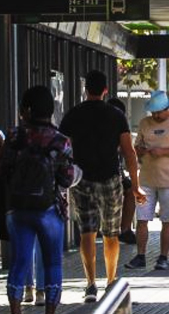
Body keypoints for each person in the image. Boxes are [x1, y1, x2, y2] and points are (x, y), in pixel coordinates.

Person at [59, 71, 145, 303]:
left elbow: (63, 150)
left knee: (87, 233)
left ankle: (89, 285)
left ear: (86, 90)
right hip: (110, 180)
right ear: (106, 90)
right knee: (111, 234)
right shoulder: (116, 115)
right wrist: (135, 187)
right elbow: (129, 152)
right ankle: (110, 281)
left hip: (82, 180)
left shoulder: (73, 115)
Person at [2, 85, 80, 314]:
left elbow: (4, 170)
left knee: (19, 262)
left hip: (18, 210)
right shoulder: (60, 140)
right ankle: (50, 311)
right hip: (49, 209)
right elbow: (66, 179)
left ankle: (15, 310)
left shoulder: (14, 136)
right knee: (53, 263)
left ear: (26, 110)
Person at [124, 90, 169, 271]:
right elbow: (136, 146)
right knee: (141, 219)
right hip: (146, 178)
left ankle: (163, 257)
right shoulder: (144, 123)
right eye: (152, 112)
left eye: (158, 112)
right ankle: (140, 256)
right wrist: (140, 150)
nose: (155, 115)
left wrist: (163, 152)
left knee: (167, 220)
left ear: (167, 108)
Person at [107, 98, 137, 245]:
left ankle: (125, 229)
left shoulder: (121, 128)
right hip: (102, 174)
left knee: (130, 190)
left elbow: (128, 153)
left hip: (116, 172)